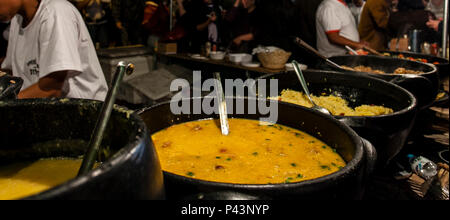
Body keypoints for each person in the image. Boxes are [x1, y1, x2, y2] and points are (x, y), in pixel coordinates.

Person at [0, 0, 108, 101]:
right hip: (41, 110)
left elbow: (51, 88)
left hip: (82, 113)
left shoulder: (56, 12)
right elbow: (12, 72)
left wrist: (10, 103)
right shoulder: (16, 20)